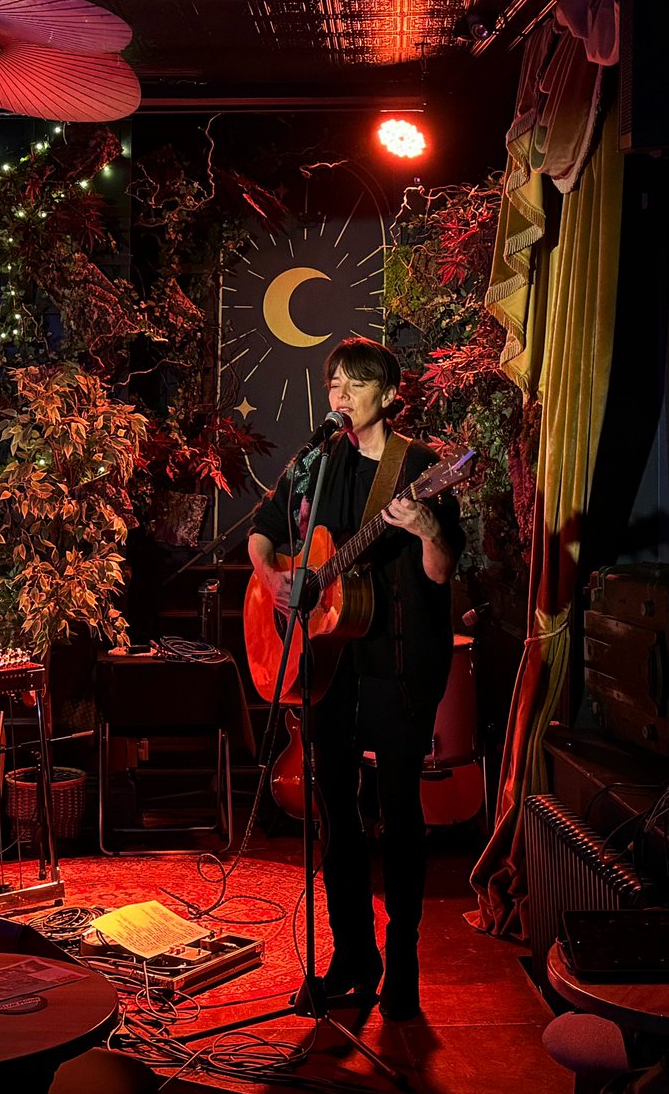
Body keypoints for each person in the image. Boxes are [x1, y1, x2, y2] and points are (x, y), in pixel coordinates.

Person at [248, 336, 464, 1021]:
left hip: (399, 662)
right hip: (327, 665)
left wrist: (427, 525)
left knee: (399, 813)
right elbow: (263, 527)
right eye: (334, 382)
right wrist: (275, 579)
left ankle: (402, 963)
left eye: (353, 384)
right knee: (336, 811)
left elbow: (439, 574)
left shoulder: (420, 467)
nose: (338, 394)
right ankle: (351, 955)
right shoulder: (316, 463)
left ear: (390, 396)